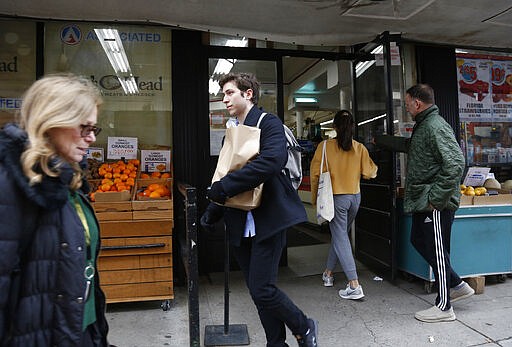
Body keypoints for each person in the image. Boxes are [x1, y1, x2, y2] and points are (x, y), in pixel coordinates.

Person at [201, 72, 318, 347]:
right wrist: (213, 210)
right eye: (224, 93)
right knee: (258, 291)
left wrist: (224, 187)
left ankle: (304, 326)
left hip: (268, 218)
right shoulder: (230, 133)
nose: (224, 98)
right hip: (240, 222)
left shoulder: (270, 124)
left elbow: (271, 161)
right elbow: (223, 177)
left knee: (262, 288)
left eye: (230, 92)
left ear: (248, 94)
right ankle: (276, 343)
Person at [0, 74, 112, 346]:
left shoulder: (69, 179)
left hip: (78, 329)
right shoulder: (12, 182)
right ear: (51, 121)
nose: (90, 138)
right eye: (83, 127)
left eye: (94, 129)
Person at [375, 84, 474, 323]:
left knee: (438, 251)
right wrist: (382, 140)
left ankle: (444, 307)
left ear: (417, 103)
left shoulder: (435, 126)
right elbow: (411, 147)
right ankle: (457, 285)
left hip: (435, 203)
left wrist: (435, 199)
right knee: (419, 239)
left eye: (407, 103)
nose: (406, 107)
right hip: (424, 201)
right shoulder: (424, 126)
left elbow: (455, 164)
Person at [309, 110, 378, 300]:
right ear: (353, 127)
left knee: (340, 236)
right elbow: (370, 173)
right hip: (355, 197)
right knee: (340, 236)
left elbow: (315, 176)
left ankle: (354, 284)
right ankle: (328, 274)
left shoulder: (324, 147)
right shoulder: (359, 148)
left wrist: (315, 200)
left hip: (336, 199)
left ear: (335, 127)